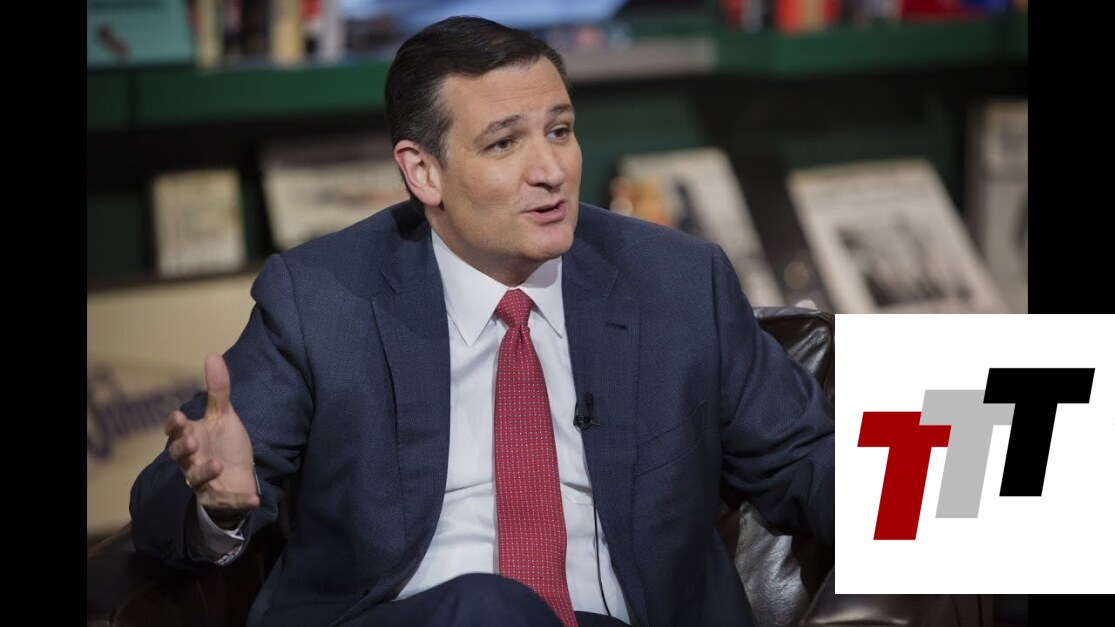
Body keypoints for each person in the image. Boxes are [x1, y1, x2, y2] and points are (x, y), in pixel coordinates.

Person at [129, 16, 834, 627]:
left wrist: (915, 524)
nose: (550, 170)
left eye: (559, 131)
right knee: (489, 608)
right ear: (423, 172)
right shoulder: (324, 300)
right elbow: (165, 506)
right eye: (504, 144)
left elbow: (807, 458)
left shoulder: (676, 281)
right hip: (415, 615)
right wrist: (216, 502)